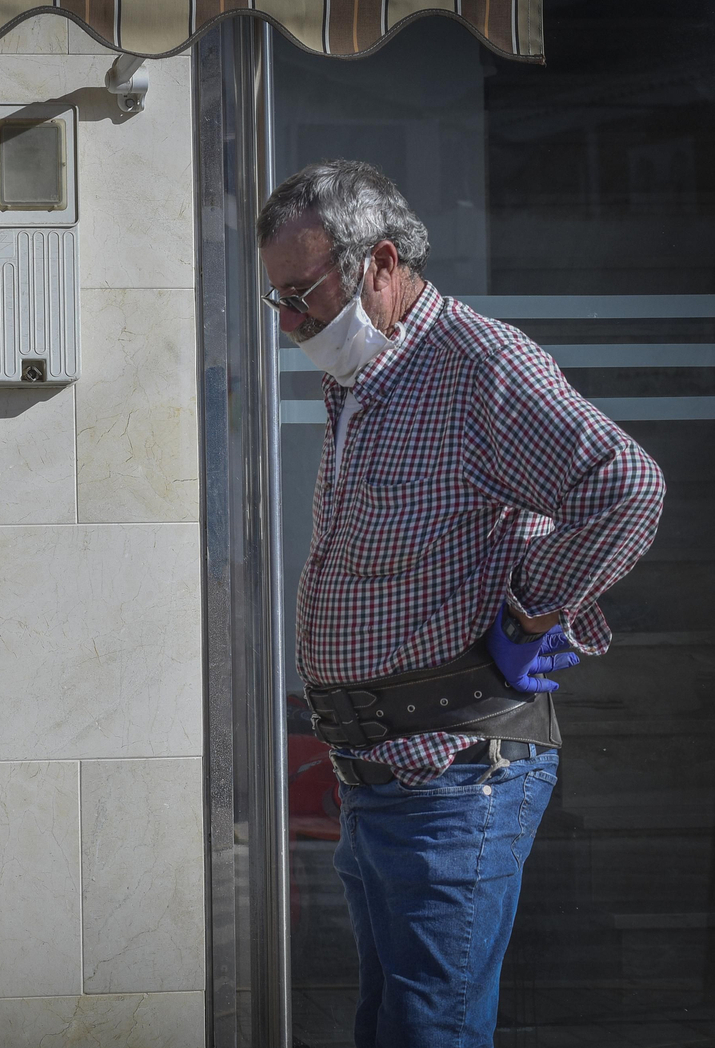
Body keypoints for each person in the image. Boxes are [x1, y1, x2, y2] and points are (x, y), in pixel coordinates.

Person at [257, 161, 664, 1047]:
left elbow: (627, 486)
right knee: (396, 1027)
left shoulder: (476, 366)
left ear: (381, 263)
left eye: (301, 294)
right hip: (386, 776)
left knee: (426, 1032)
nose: (289, 323)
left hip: (454, 772)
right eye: (276, 301)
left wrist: (532, 610)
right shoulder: (369, 376)